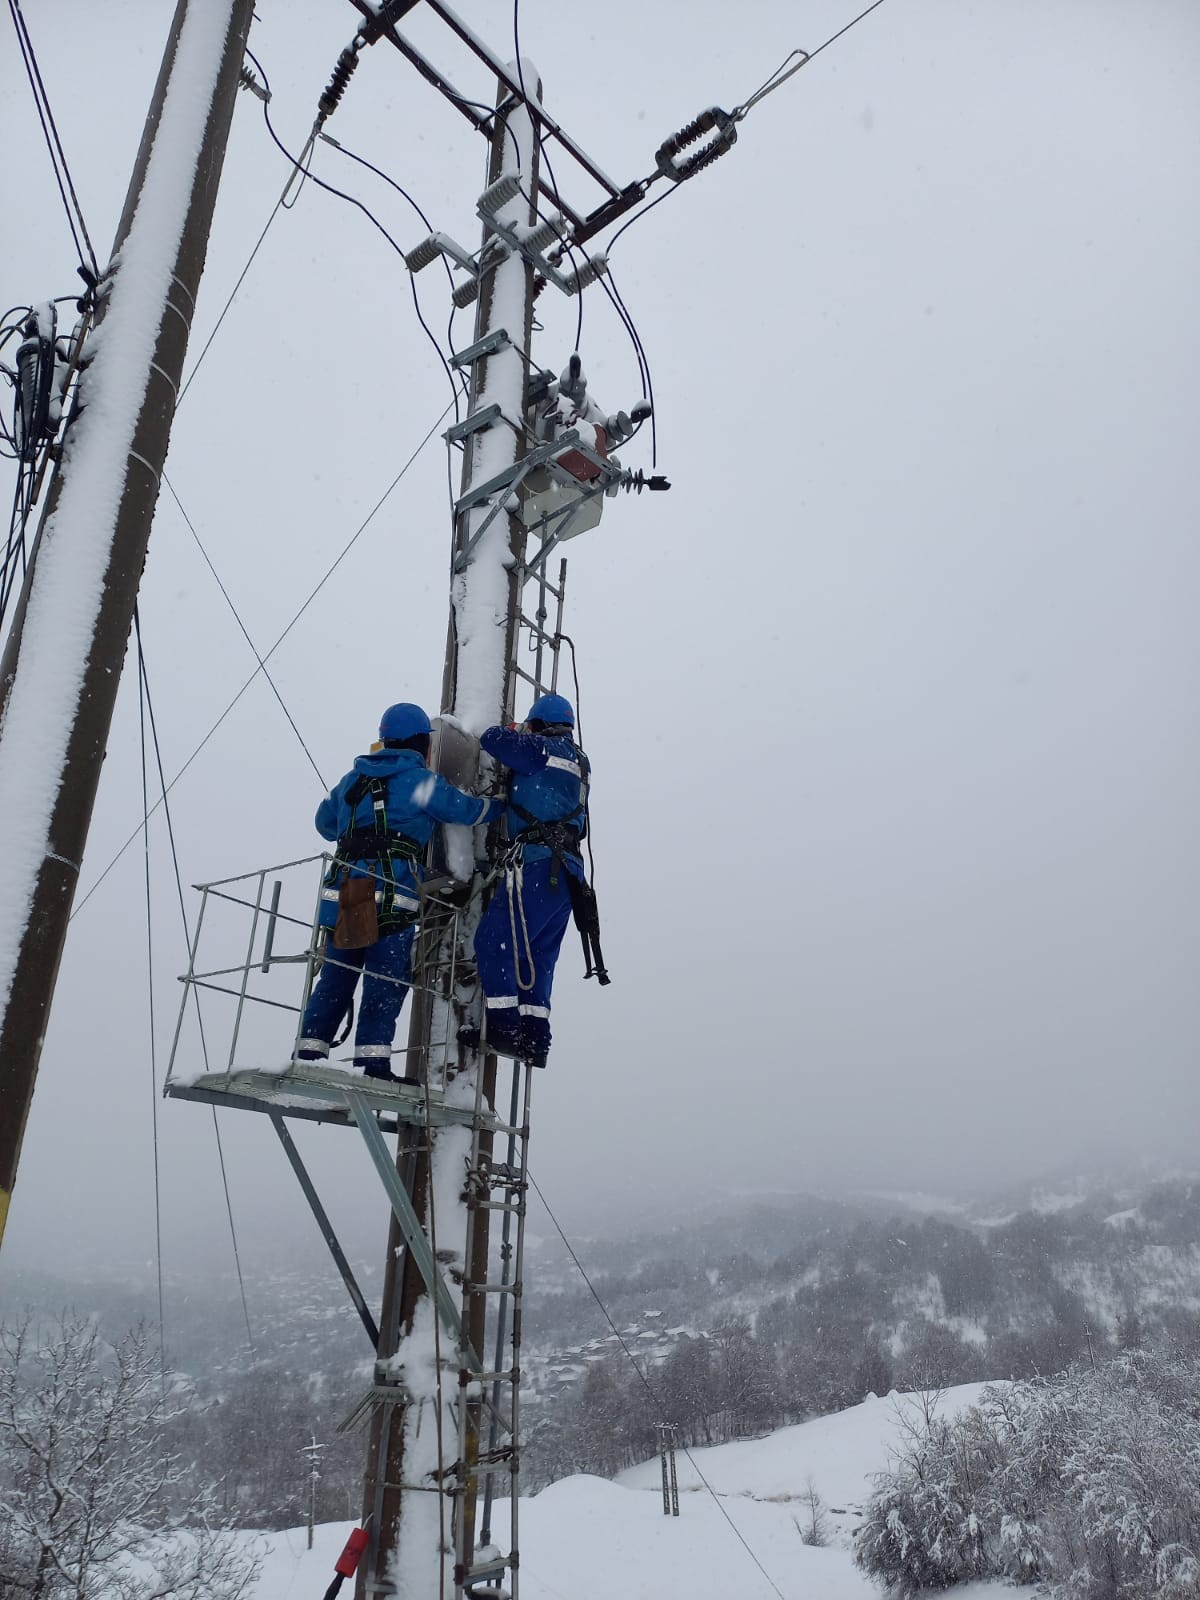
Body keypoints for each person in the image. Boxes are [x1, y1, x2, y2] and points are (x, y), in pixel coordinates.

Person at [295, 702, 500, 1080]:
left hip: (348, 894)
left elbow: (324, 824)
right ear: (423, 744)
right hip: (391, 896)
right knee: (385, 981)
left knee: (338, 976)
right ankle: (373, 1064)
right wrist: (497, 806)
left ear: (383, 740)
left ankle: (307, 1052)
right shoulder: (420, 781)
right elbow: (464, 811)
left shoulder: (352, 781)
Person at [473, 693, 593, 1068]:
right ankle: (534, 1039)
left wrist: (515, 730)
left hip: (539, 864)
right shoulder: (581, 762)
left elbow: (490, 739)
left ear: (537, 724)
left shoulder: (538, 748)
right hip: (570, 873)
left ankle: (505, 1030)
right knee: (538, 957)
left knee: (494, 943)